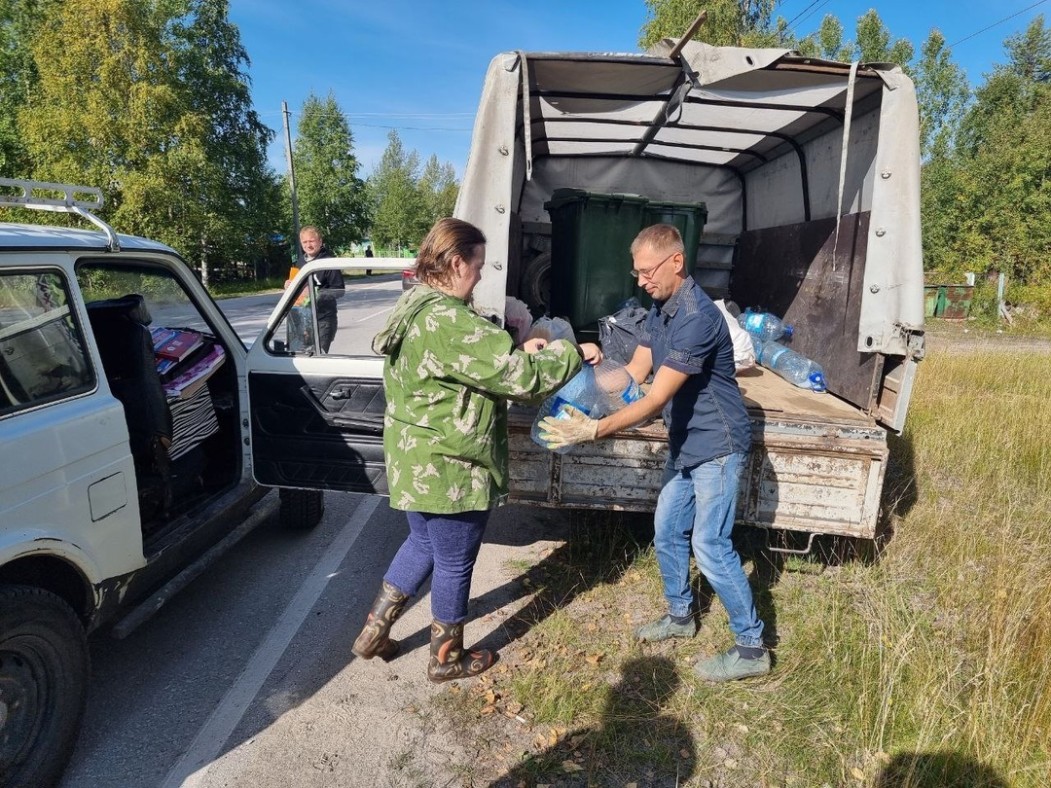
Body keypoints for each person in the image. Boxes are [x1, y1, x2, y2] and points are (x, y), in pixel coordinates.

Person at [352, 217, 602, 683]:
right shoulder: (449, 319)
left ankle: (374, 630)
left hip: (414, 458)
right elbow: (523, 381)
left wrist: (521, 348)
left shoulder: (414, 305)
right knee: (454, 560)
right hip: (452, 466)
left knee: (422, 541)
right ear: (453, 262)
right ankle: (446, 658)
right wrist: (571, 351)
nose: (481, 276)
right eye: (478, 266)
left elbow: (476, 364)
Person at [538, 223, 769, 682]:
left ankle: (751, 648)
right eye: (636, 273)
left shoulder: (697, 318)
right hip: (685, 440)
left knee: (710, 544)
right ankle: (681, 618)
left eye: (647, 272)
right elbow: (635, 372)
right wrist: (577, 387)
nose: (640, 280)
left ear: (676, 262)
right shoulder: (660, 309)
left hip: (718, 445)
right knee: (666, 528)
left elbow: (654, 398)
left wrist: (595, 429)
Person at [284, 226, 345, 353]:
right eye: (305, 242)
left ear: (320, 242)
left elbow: (339, 290)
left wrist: (315, 294)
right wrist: (289, 285)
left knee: (318, 356)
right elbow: (298, 288)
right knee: (300, 356)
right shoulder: (300, 262)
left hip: (323, 319)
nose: (308, 245)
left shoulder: (328, 262)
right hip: (302, 318)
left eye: (311, 241)